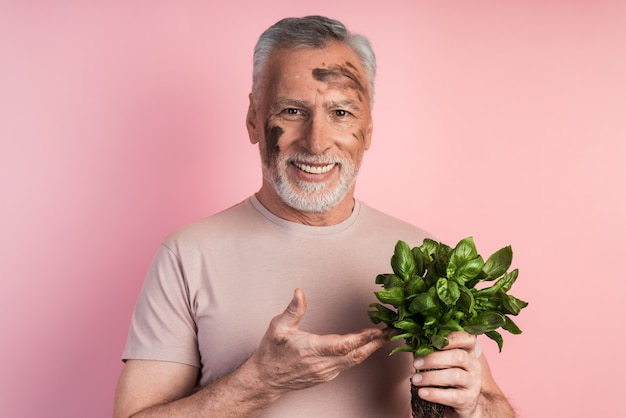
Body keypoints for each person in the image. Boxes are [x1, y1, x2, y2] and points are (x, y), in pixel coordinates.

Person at [113, 15, 515, 418]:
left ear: (369, 127)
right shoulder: (187, 255)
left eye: (341, 113)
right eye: (291, 110)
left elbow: (493, 406)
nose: (317, 142)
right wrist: (258, 381)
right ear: (254, 118)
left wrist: (475, 407)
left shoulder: (425, 259)